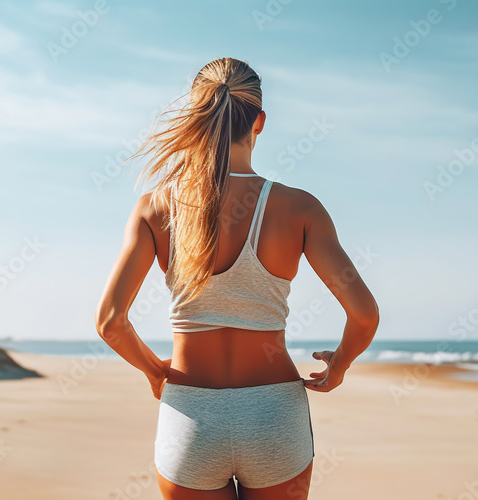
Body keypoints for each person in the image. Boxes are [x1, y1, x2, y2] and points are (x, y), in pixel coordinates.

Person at [95, 57, 379, 500]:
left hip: (189, 416)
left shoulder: (156, 207)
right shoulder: (299, 208)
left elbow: (111, 322)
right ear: (259, 122)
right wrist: (339, 364)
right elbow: (364, 315)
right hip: (274, 418)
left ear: (197, 117)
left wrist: (154, 372)